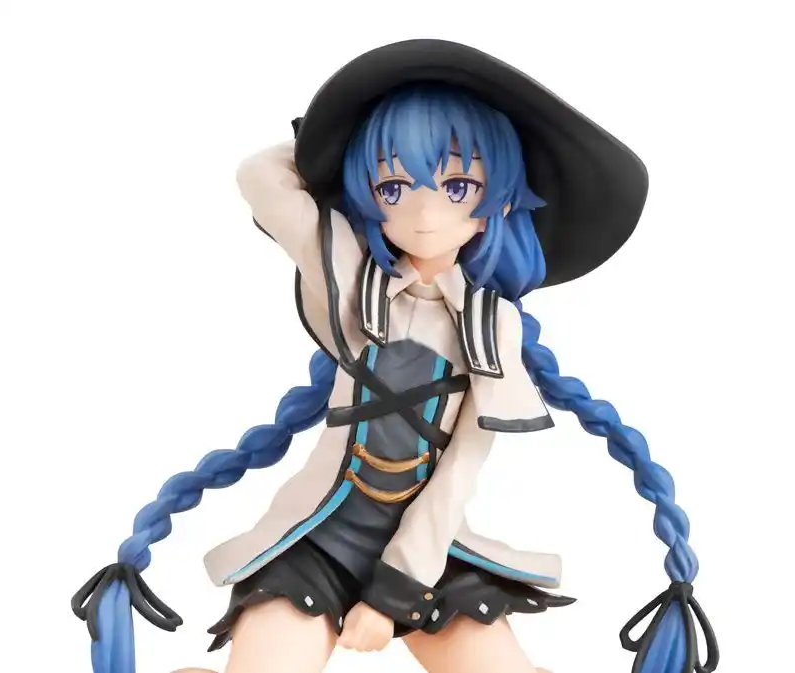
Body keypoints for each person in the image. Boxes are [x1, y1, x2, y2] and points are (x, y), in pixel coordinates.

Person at [72, 39, 719, 673]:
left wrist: (395, 593)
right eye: (393, 186)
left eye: (458, 184)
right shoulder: (351, 280)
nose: (425, 211)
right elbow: (259, 177)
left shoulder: (491, 325)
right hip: (317, 541)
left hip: (431, 554)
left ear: (499, 202)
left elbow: (460, 467)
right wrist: (334, 141)